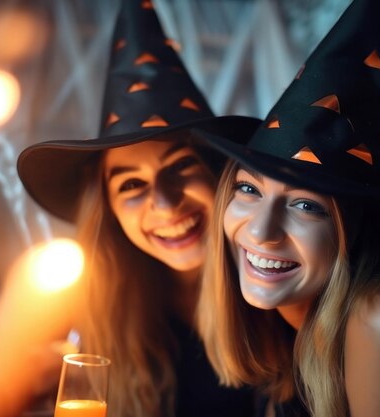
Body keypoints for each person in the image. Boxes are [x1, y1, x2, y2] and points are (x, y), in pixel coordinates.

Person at [194, 0, 380, 415]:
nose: (261, 232)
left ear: (354, 227)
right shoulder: (289, 321)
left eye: (305, 205)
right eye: (249, 190)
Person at [17, 2, 259, 417]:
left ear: (223, 175)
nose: (164, 203)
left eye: (182, 166)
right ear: (109, 210)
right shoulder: (105, 309)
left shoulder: (280, 299)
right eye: (130, 184)